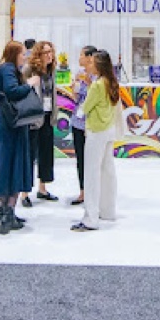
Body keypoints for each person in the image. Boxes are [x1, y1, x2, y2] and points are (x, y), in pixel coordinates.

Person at [74, 49, 123, 232]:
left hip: (96, 131)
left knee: (92, 174)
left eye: (92, 62)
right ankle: (108, 210)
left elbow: (85, 107)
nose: (89, 65)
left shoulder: (97, 85)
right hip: (109, 130)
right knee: (107, 170)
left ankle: (90, 218)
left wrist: (79, 106)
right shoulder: (111, 82)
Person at [0, 40, 35, 235]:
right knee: (14, 162)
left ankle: (4, 210)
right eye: (22, 54)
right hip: (13, 123)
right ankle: (9, 213)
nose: (24, 57)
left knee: (6, 161)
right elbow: (12, 91)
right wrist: (29, 85)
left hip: (7, 121)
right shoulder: (8, 69)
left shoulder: (3, 69)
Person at [23, 40, 58, 205]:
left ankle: (42, 188)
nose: (50, 55)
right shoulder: (29, 70)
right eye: (46, 52)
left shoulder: (51, 71)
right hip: (33, 118)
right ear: (39, 54)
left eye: (51, 52)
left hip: (48, 116)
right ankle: (24, 193)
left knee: (46, 154)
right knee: (29, 156)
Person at [68, 46, 97, 206]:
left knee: (92, 159)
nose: (79, 58)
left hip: (92, 123)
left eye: (81, 55)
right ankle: (83, 192)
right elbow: (77, 99)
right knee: (80, 158)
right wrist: (74, 90)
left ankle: (94, 191)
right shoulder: (79, 74)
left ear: (90, 57)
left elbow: (100, 96)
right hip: (78, 121)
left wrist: (89, 82)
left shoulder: (98, 77)